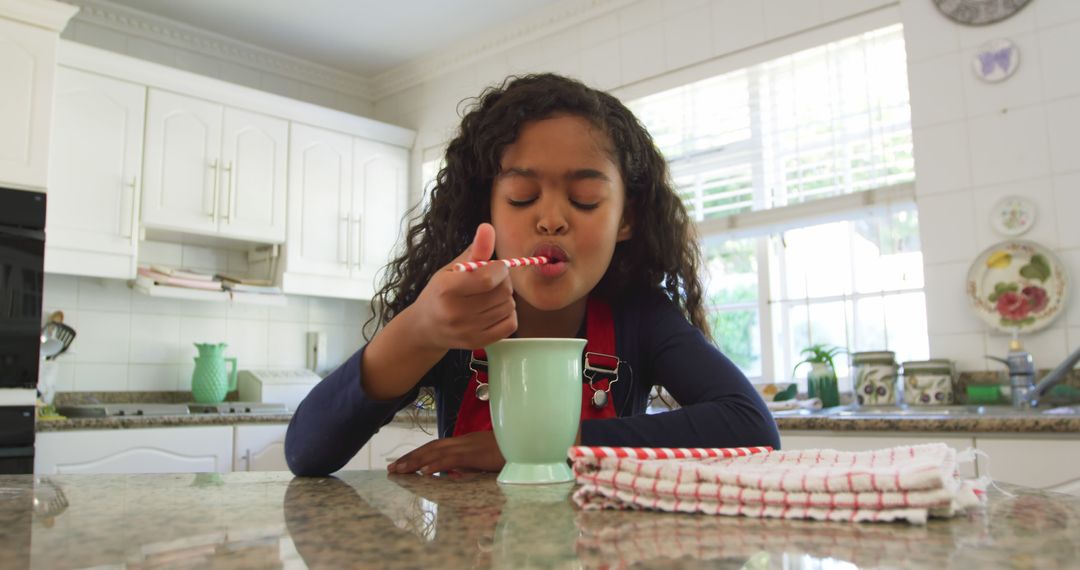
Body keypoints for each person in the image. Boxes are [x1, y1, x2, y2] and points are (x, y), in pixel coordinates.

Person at [285, 73, 780, 477]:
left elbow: (753, 427)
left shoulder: (641, 316)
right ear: (489, 212)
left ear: (625, 219)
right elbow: (307, 453)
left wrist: (540, 446)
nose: (550, 219)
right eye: (522, 196)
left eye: (585, 199)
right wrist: (418, 330)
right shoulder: (452, 316)